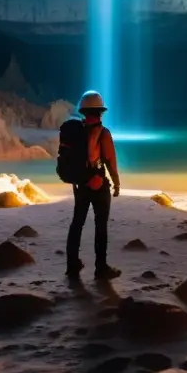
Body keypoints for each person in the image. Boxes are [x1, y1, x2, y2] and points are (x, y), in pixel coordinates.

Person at [66, 90, 121, 280]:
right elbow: (110, 160)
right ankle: (101, 267)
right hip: (98, 184)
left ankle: (72, 264)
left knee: (77, 224)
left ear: (83, 111)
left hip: (80, 184)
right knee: (101, 226)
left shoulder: (75, 132)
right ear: (100, 111)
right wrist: (116, 182)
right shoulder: (103, 133)